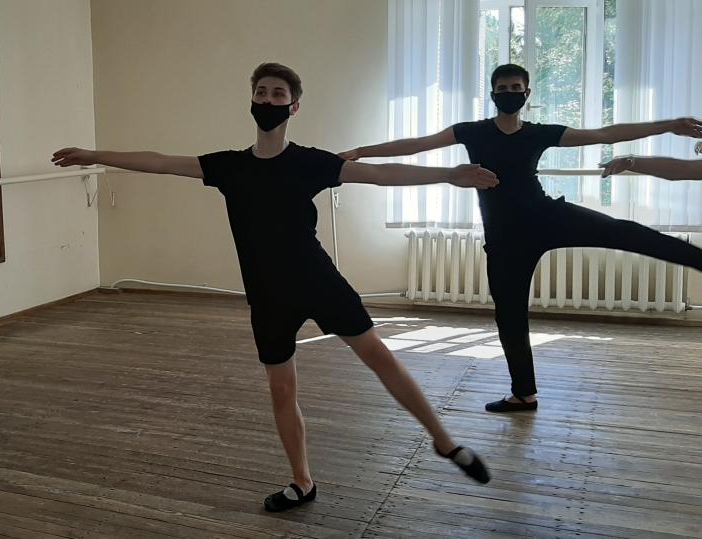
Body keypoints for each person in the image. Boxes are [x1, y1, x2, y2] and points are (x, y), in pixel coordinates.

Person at [52, 62, 494, 512]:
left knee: (379, 357)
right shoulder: (229, 166)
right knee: (282, 389)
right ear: (252, 100)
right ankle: (302, 481)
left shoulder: (310, 162)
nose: (267, 99)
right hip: (267, 295)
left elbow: (381, 175)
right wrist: (95, 155)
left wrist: (448, 174)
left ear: (293, 106)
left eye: (277, 94)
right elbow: (161, 162)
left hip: (318, 280)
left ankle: (444, 442)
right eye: (261, 92)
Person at [340, 64, 702, 413]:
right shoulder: (471, 131)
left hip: (547, 217)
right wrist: (361, 153)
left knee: (625, 232)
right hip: (505, 237)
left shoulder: (540, 133)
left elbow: (604, 134)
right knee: (509, 315)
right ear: (493, 94)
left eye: (516, 88)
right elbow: (417, 144)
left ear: (527, 94)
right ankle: (524, 395)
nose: (509, 93)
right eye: (503, 88)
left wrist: (669, 125)